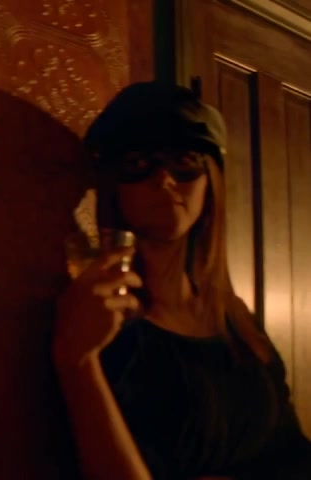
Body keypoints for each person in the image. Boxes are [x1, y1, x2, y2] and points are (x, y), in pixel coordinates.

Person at [52, 82, 311, 480]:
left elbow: (291, 456)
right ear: (114, 185)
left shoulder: (237, 322)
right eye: (138, 162)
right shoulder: (101, 321)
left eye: (184, 159)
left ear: (210, 180)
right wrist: (78, 361)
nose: (164, 179)